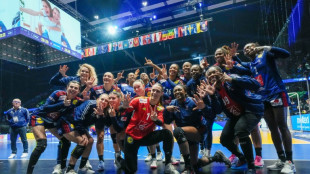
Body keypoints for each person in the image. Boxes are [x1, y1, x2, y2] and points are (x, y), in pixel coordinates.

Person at [201, 66, 264, 174]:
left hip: (251, 110)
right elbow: (217, 110)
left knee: (241, 130)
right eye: (209, 74)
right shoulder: (214, 91)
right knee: (224, 139)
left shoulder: (232, 78)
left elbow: (256, 84)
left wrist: (232, 79)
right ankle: (241, 157)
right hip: (235, 116)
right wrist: (212, 97)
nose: (212, 75)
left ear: (221, 73)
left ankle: (251, 166)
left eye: (214, 72)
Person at [243, 43, 294, 173]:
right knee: (272, 128)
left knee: (282, 126)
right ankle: (281, 159)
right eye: (244, 49)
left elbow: (286, 54)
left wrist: (267, 48)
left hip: (276, 92)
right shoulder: (250, 64)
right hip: (263, 97)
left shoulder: (266, 54)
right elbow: (238, 67)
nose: (247, 49)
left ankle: (290, 162)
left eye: (249, 46)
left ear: (256, 47)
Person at [215, 44, 264, 168]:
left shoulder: (232, 67)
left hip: (247, 104)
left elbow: (250, 77)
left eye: (221, 53)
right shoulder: (215, 75)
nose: (218, 55)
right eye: (216, 54)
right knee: (233, 132)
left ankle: (256, 157)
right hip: (234, 109)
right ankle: (237, 154)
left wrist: (234, 68)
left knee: (247, 129)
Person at [164, 85, 230, 173]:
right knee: (195, 165)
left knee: (177, 131)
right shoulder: (173, 103)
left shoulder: (192, 101)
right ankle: (217, 157)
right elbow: (168, 121)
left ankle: (187, 167)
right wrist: (167, 111)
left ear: (185, 92)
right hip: (186, 135)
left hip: (199, 131)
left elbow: (210, 115)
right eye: (175, 91)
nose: (177, 92)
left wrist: (203, 108)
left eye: (179, 90)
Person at [121, 83, 179, 174]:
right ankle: (121, 161)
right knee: (131, 169)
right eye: (153, 90)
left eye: (158, 91)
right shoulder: (139, 100)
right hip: (132, 136)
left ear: (161, 94)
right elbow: (126, 109)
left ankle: (168, 164)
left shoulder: (160, 108)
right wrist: (123, 107)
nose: (155, 92)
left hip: (146, 137)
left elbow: (161, 122)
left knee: (167, 133)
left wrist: (155, 120)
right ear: (150, 91)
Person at [27, 81, 82, 174]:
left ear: (78, 91)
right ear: (67, 87)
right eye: (71, 87)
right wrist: (62, 104)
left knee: (65, 141)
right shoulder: (58, 93)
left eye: (76, 88)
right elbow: (45, 107)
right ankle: (29, 172)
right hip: (40, 117)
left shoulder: (76, 101)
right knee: (42, 144)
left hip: (52, 122)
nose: (73, 89)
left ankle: (61, 167)